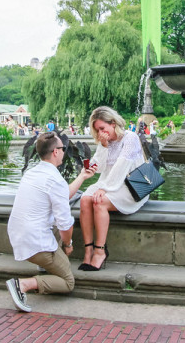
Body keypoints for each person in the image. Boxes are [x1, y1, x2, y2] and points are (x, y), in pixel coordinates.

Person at [5, 132, 94, 311]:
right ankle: (22, 285)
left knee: (48, 221)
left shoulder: (32, 173)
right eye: (63, 148)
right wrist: (68, 245)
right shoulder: (54, 179)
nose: (64, 151)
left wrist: (83, 176)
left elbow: (62, 193)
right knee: (68, 281)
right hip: (35, 243)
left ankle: (44, 265)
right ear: (55, 152)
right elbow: (65, 225)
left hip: (18, 235)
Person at [79, 106, 148, 272]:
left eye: (103, 128)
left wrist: (105, 188)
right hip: (110, 182)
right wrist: (103, 146)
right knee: (85, 199)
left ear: (113, 123)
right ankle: (88, 250)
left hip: (133, 184)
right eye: (97, 130)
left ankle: (99, 251)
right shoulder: (105, 141)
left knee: (99, 202)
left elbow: (122, 167)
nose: (101, 132)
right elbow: (100, 167)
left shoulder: (129, 138)